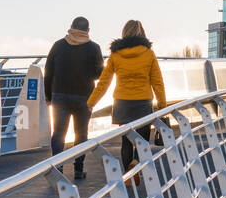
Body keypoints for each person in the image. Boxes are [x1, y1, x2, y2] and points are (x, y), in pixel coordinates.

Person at [88, 20, 169, 172]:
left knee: (126, 141)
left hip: (122, 103)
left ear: (124, 33)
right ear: (142, 33)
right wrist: (162, 105)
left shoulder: (116, 55)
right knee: (142, 141)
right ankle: (137, 164)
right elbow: (157, 82)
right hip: (143, 103)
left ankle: (128, 175)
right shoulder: (148, 54)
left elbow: (104, 82)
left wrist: (91, 102)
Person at [44, 16, 103, 180]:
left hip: (60, 95)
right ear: (88, 31)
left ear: (70, 27)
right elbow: (99, 74)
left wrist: (48, 96)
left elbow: (48, 72)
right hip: (84, 97)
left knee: (59, 133)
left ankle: (58, 169)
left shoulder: (58, 45)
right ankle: (78, 169)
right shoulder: (94, 48)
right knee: (81, 133)